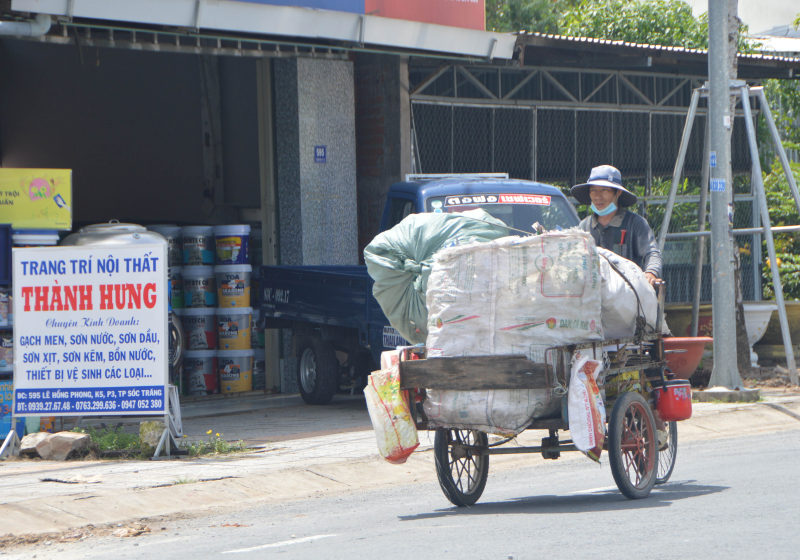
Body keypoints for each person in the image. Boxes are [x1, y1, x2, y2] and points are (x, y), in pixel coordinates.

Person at [571, 165, 662, 286]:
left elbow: (652, 253)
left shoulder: (635, 223)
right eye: (593, 190)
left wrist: (651, 272)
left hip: (628, 294)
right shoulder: (584, 226)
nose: (597, 196)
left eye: (604, 190)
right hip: (594, 296)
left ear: (617, 193)